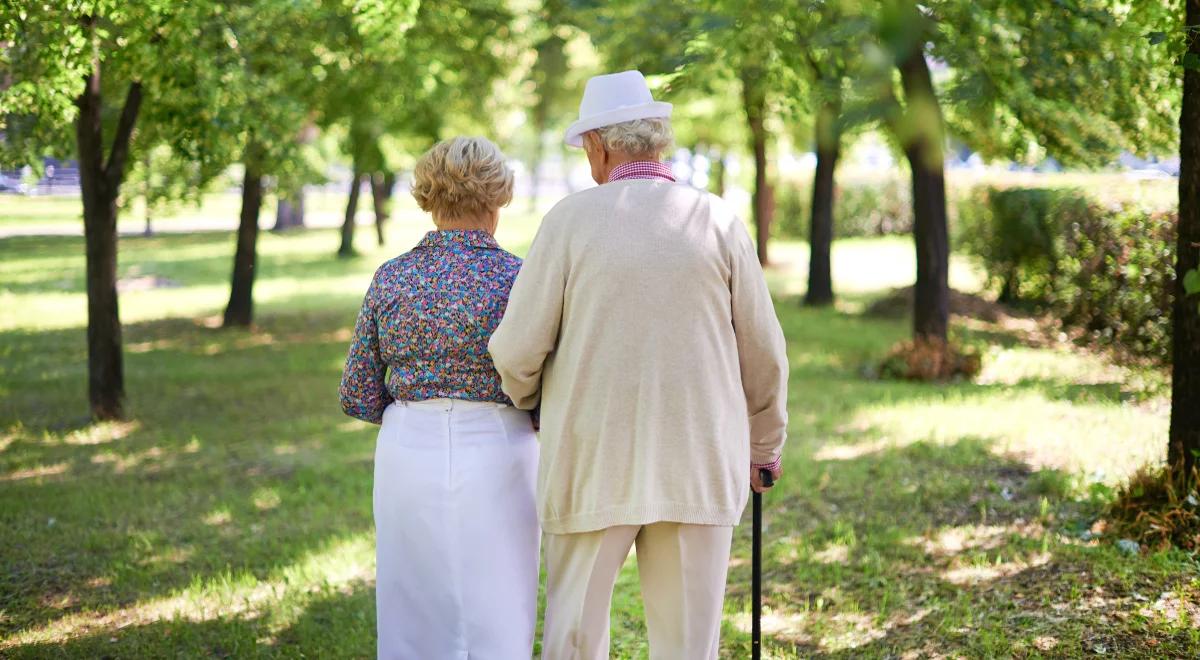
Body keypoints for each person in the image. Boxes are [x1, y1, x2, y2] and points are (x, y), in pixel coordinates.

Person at [488, 70, 789, 660]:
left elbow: (518, 348)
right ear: (657, 140)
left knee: (573, 637)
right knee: (687, 646)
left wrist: (529, 399)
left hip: (592, 457)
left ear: (599, 145)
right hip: (697, 459)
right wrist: (764, 447)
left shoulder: (568, 222)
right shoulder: (718, 220)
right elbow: (764, 351)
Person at [339, 136, 539, 659]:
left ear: (429, 198)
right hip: (503, 445)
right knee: (500, 597)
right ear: (498, 199)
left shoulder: (393, 277)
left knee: (412, 602)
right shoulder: (521, 280)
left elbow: (358, 393)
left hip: (409, 445)